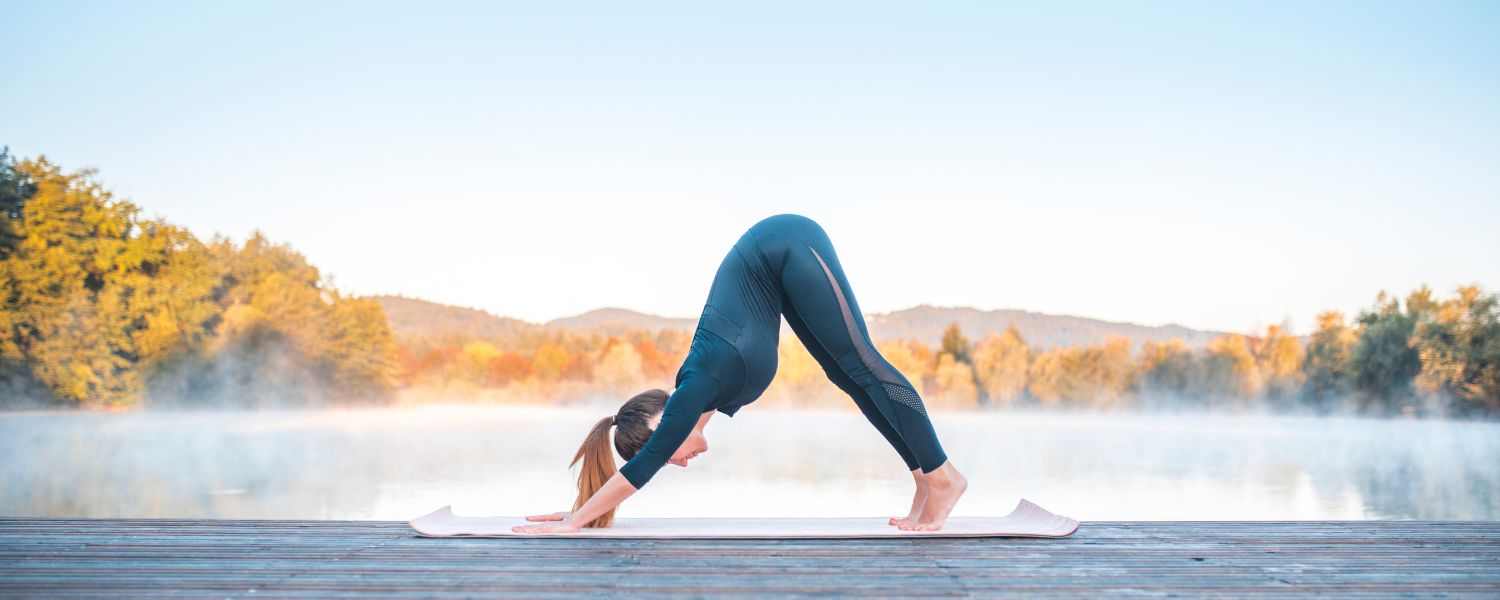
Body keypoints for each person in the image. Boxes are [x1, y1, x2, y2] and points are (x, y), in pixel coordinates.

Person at [513, 213, 967, 533]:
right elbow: (646, 460)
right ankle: (923, 478)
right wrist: (582, 511)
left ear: (661, 421)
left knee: (863, 362)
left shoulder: (698, 385)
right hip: (777, 268)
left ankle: (942, 475)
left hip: (787, 240)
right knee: (846, 375)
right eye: (672, 461)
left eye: (668, 454)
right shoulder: (706, 393)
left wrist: (575, 523)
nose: (678, 462)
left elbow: (643, 467)